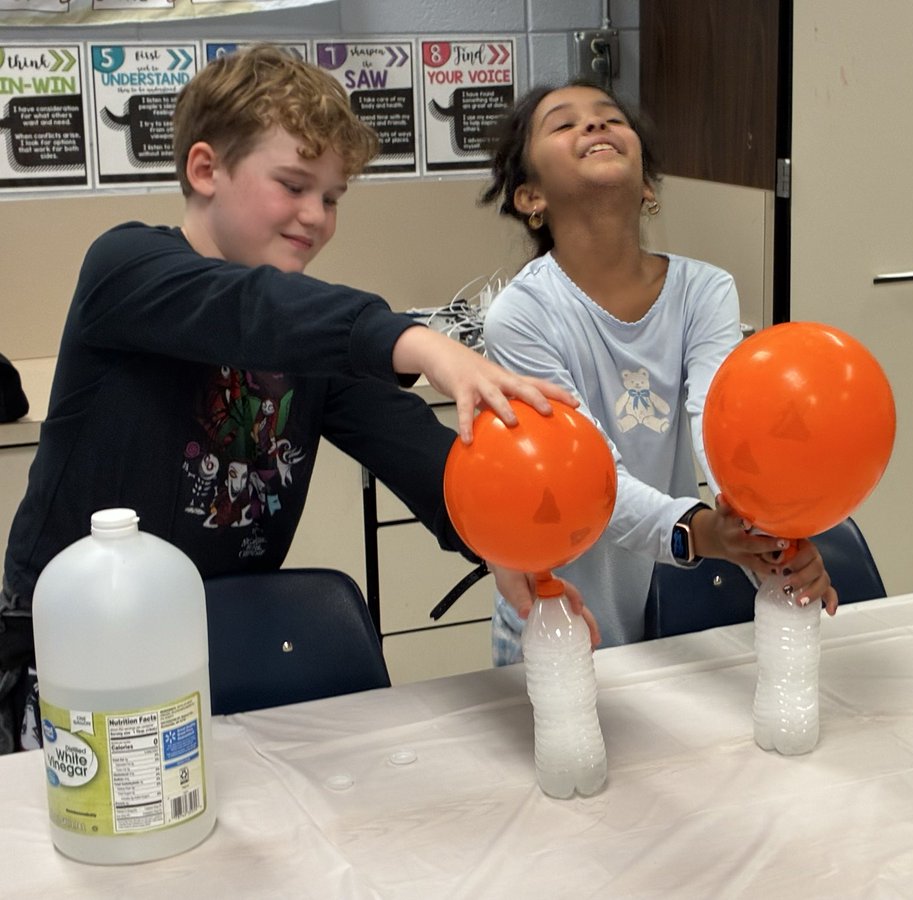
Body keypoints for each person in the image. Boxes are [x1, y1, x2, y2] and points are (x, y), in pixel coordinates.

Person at [0, 46, 594, 755]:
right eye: (293, 185)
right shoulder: (124, 271)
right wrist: (425, 344)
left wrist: (506, 543)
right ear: (204, 170)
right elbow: (252, 310)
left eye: (334, 196)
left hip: (219, 646)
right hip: (80, 654)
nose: (316, 216)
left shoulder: (309, 344)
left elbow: (423, 455)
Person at [481, 80, 838, 663]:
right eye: (564, 124)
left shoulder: (705, 290)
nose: (594, 126)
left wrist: (766, 534)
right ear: (530, 197)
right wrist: (702, 532)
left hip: (665, 602)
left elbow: (720, 424)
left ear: (646, 184)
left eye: (609, 118)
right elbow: (590, 476)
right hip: (555, 614)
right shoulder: (522, 316)